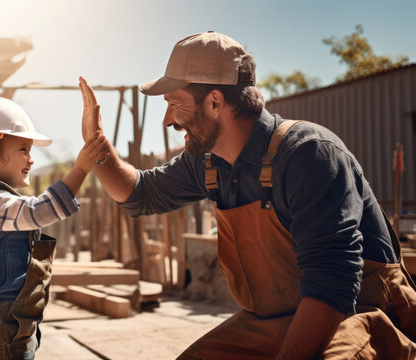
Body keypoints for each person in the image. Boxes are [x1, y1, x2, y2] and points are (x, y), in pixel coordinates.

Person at [79, 31, 416, 359]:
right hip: (279, 319)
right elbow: (141, 194)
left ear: (214, 102)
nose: (168, 120)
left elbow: (332, 287)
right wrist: (97, 147)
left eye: (174, 104)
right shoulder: (207, 162)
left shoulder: (308, 154)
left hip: (361, 314)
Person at [0, 96, 110, 359]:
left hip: (9, 317)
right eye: (23, 149)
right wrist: (81, 169)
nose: (31, 159)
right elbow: (38, 211)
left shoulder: (1, 200)